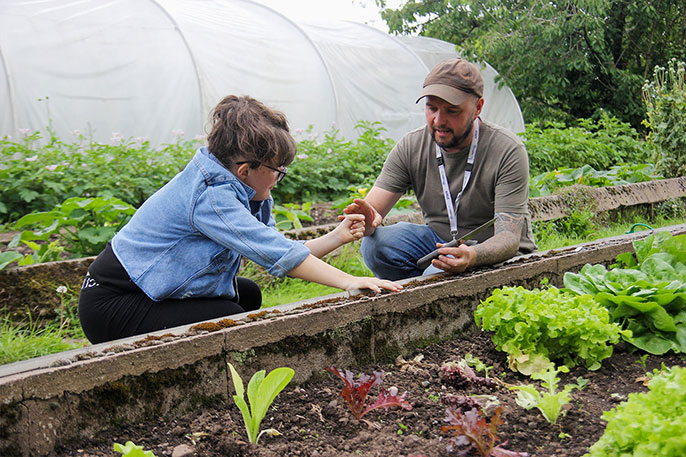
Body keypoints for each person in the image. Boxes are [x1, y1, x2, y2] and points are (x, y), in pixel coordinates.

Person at [79, 95, 402, 344]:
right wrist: (348, 281)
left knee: (247, 295)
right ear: (245, 170)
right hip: (113, 304)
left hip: (146, 294)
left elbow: (276, 249)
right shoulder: (211, 195)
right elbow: (280, 257)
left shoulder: (244, 190)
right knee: (229, 317)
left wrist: (336, 236)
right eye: (277, 171)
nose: (279, 179)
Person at [344, 58, 537, 280]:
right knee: (376, 246)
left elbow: (508, 239)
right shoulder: (412, 146)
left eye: (452, 111)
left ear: (477, 108)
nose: (438, 120)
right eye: (431, 108)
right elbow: (372, 214)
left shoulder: (506, 149)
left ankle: (426, 292)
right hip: (440, 243)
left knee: (435, 274)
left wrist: (471, 256)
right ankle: (418, 295)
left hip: (495, 253)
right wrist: (366, 220)